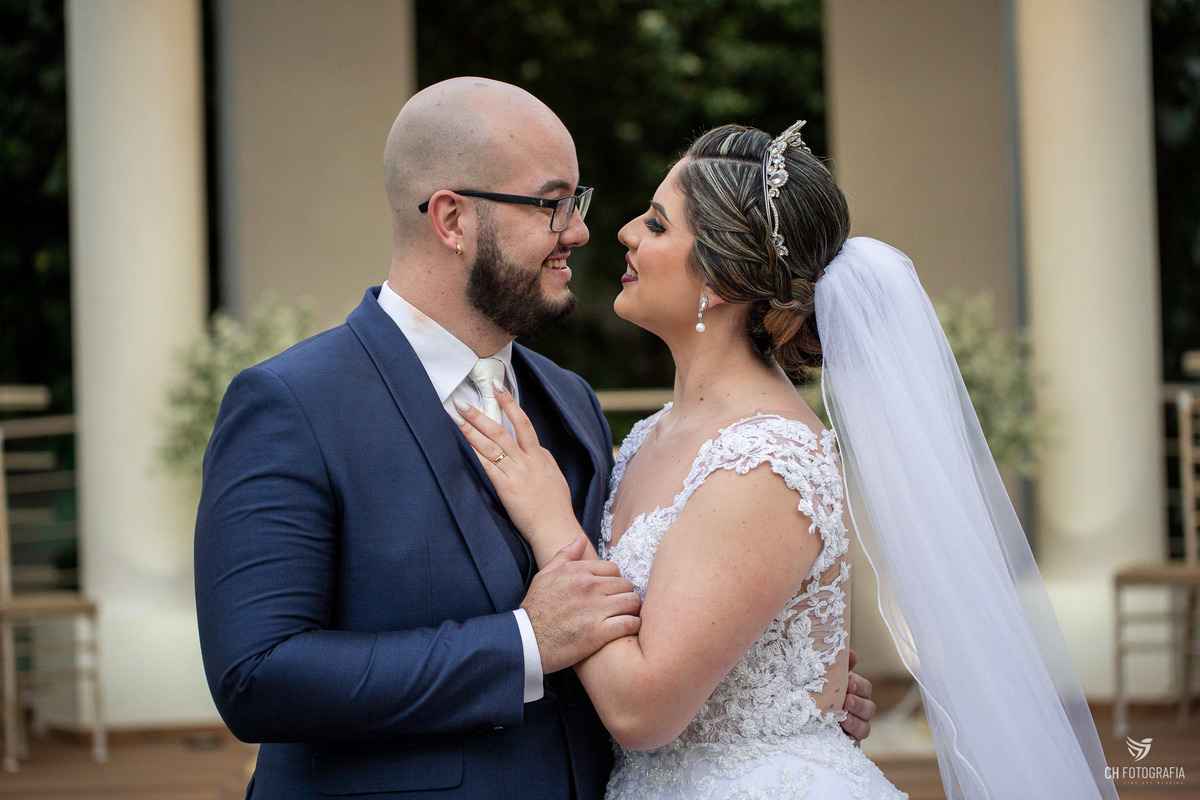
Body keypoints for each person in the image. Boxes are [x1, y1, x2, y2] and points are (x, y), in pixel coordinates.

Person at [194, 78, 874, 800]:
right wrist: (522, 644)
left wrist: (778, 688)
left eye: (576, 204)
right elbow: (256, 675)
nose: (581, 230)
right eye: (553, 203)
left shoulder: (571, 403)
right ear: (453, 220)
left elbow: (655, 623)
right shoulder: (292, 405)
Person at [458, 121, 1120, 799]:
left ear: (719, 278)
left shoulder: (766, 461)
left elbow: (641, 711)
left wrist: (550, 521)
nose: (624, 231)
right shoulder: (654, 434)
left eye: (656, 225)